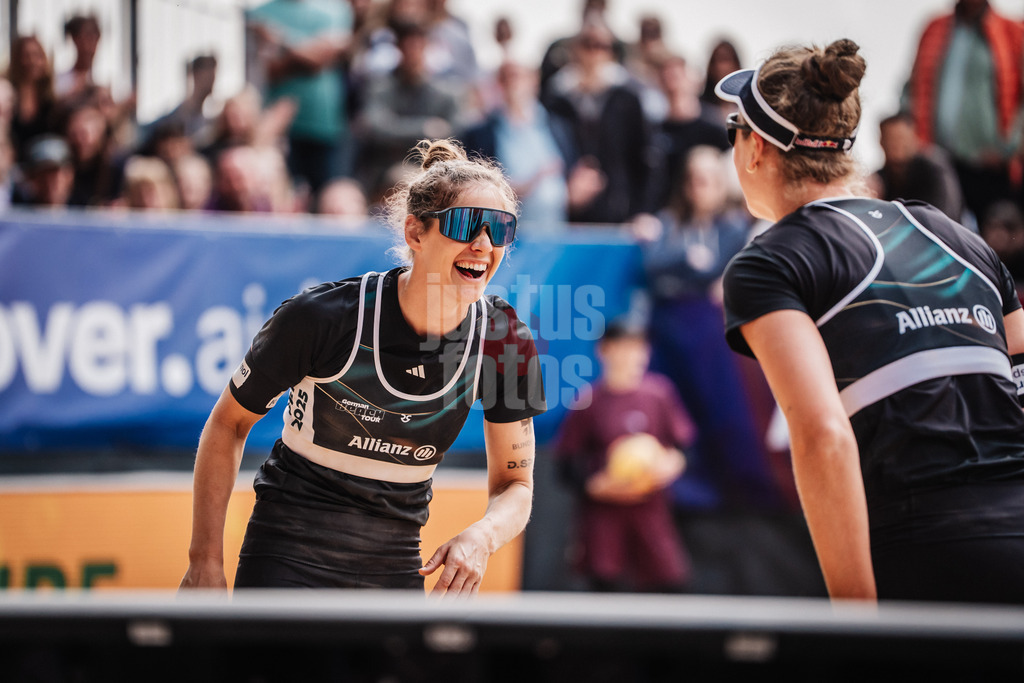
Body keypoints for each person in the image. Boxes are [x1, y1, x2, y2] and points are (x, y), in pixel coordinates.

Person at [717, 39, 1024, 604]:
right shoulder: (949, 232)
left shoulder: (769, 262)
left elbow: (823, 435)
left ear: (755, 147)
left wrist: (858, 620)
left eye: (733, 131)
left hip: (924, 545)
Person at [180, 138, 546, 593]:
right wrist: (204, 561)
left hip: (394, 568)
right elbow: (228, 424)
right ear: (415, 233)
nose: (484, 244)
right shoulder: (324, 317)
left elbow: (516, 485)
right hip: (287, 557)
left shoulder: (503, 338)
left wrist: (483, 537)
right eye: (466, 223)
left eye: (501, 228)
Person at [555, 319, 693, 593]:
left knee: (668, 585)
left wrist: (670, 465)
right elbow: (566, 465)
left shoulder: (660, 394)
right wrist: (598, 485)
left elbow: (682, 448)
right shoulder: (588, 401)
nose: (631, 356)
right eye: (623, 348)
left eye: (638, 348)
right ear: (604, 351)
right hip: (604, 519)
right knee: (606, 586)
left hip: (651, 513)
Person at [903, 0, 1023, 226]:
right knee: (937, 230)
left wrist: (1009, 147)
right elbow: (913, 87)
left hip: (990, 165)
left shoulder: (1012, 31)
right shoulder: (935, 28)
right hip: (940, 159)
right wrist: (908, 135)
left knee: (996, 237)